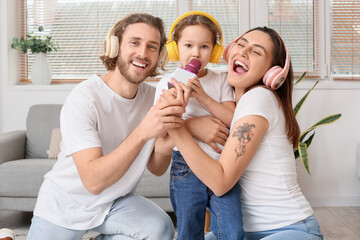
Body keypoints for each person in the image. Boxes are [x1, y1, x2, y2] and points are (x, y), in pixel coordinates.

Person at [27, 13, 185, 240]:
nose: (142, 53)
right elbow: (93, 181)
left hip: (114, 204)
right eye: (134, 42)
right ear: (115, 46)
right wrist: (143, 131)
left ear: (160, 56)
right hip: (65, 206)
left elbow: (157, 168)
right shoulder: (85, 97)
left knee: (160, 229)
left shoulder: (155, 98)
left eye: (152, 46)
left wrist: (168, 139)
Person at [164, 26, 324, 240]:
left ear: (271, 73)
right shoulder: (231, 102)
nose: (243, 52)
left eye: (256, 52)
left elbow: (220, 183)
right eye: (241, 44)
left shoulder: (259, 97)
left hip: (288, 230)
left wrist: (175, 124)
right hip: (247, 233)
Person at [154, 11, 244, 240]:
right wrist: (179, 99)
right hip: (185, 166)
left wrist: (203, 97)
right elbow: (163, 128)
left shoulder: (221, 79)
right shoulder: (167, 82)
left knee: (232, 231)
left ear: (213, 52)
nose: (195, 53)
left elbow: (232, 119)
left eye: (204, 47)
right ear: (175, 49)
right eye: (188, 45)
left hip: (223, 165)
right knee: (189, 231)